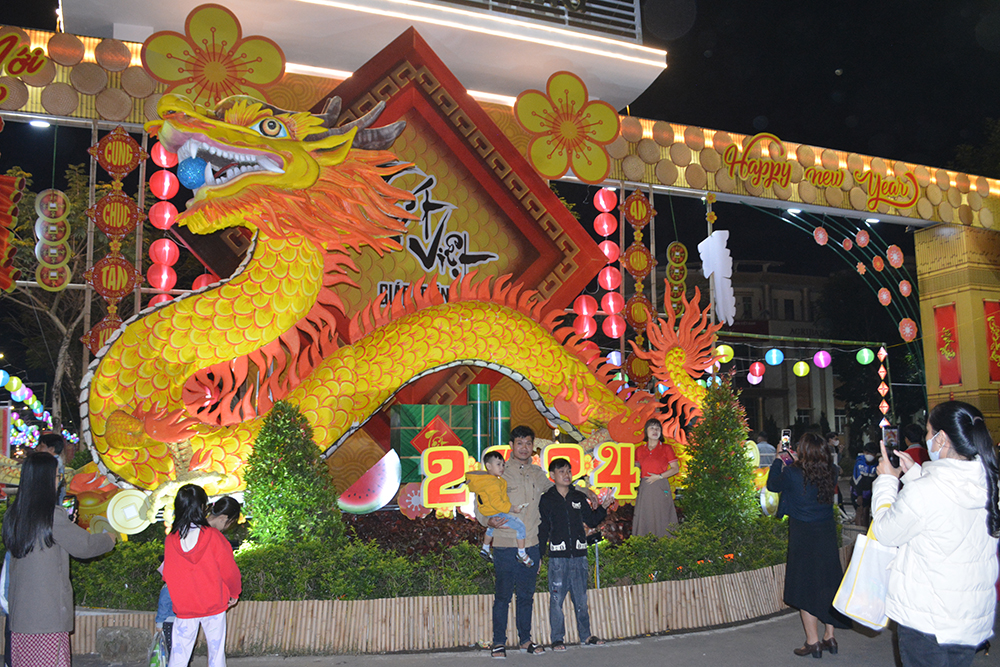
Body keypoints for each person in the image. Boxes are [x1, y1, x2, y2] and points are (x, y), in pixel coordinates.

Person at [872, 401, 999, 667]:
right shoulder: (990, 481)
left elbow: (885, 532)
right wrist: (915, 476)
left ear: (942, 439)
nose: (927, 438)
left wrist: (886, 481)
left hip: (928, 622)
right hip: (969, 619)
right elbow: (946, 512)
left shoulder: (927, 492)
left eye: (929, 433)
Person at [2, 452, 116, 667]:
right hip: (46, 618)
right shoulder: (51, 516)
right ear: (43, 480)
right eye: (56, 477)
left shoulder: (14, 514)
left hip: (21, 618)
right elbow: (85, 546)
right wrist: (109, 538)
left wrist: (66, 523)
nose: (59, 481)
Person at [767, 433, 850, 658]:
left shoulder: (793, 472)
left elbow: (773, 485)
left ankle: (812, 642)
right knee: (827, 581)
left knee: (805, 585)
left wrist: (779, 458)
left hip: (803, 534)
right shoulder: (831, 471)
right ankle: (829, 637)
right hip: (826, 533)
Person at [477, 425, 552, 658]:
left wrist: (584, 492)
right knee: (503, 596)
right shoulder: (499, 471)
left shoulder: (537, 473)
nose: (524, 448)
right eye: (520, 443)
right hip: (504, 545)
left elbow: (557, 491)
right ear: (511, 446)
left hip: (531, 544)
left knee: (526, 596)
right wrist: (488, 520)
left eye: (528, 443)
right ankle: (498, 642)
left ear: (532, 446)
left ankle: (525, 640)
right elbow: (481, 502)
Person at [162, 485, 242, 667]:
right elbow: (230, 571)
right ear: (202, 507)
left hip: (184, 608)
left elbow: (167, 574)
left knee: (179, 656)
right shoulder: (214, 536)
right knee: (216, 655)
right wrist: (234, 594)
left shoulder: (171, 539)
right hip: (213, 605)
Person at [538, 458, 611, 650]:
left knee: (581, 599)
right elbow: (543, 529)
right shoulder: (546, 499)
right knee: (556, 601)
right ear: (552, 476)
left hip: (579, 555)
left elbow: (592, 521)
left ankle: (586, 636)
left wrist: (604, 507)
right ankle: (557, 639)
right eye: (561, 471)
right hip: (557, 559)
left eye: (569, 471)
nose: (567, 475)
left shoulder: (578, 497)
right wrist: (539, 556)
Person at [467, 451, 533, 566]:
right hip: (496, 511)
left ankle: (485, 548)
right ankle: (522, 553)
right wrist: (513, 508)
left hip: (488, 512)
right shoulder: (492, 483)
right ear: (488, 466)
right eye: (498, 464)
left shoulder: (488, 481)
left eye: (503, 465)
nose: (502, 468)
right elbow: (497, 503)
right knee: (520, 526)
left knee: (491, 529)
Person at [632, 418, 680, 537]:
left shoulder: (666, 448)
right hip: (645, 487)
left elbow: (675, 468)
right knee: (644, 515)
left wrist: (658, 476)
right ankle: (645, 547)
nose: (655, 430)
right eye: (652, 428)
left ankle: (666, 547)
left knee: (662, 516)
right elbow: (635, 469)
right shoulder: (639, 450)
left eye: (658, 428)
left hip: (660, 485)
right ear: (646, 431)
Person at [851, 441, 879, 526]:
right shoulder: (860, 462)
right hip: (857, 491)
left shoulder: (876, 464)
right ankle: (859, 533)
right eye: (868, 453)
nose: (870, 455)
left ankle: (866, 533)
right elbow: (856, 480)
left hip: (869, 491)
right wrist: (859, 495)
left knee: (866, 512)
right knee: (860, 511)